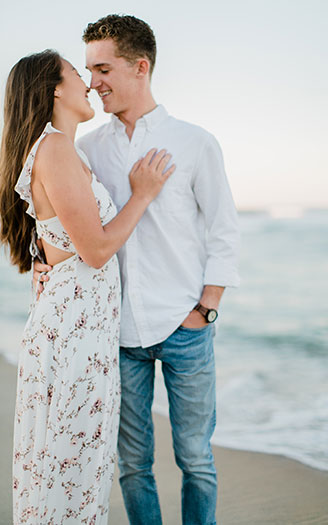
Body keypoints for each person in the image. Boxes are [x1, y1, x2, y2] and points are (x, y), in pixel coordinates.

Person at [33, 15, 240, 524]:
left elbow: (223, 231)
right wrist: (42, 262)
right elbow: (61, 219)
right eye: (86, 70)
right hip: (115, 332)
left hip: (185, 326)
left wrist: (206, 309)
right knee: (132, 464)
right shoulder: (86, 150)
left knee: (196, 459)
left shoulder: (194, 142)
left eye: (102, 68)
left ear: (140, 67)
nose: (92, 81)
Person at [0, 49, 173, 524]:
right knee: (68, 469)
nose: (90, 84)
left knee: (69, 467)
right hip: (72, 334)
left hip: (80, 329)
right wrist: (141, 196)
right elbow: (95, 251)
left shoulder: (60, 149)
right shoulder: (53, 147)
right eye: (78, 74)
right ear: (55, 89)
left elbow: (56, 239)